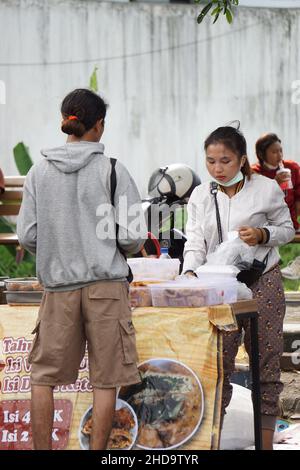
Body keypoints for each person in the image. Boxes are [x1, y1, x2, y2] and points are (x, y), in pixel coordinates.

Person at [17, 88, 147, 450]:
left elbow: (27, 235)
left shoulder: (38, 171)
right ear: (99, 125)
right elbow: (133, 237)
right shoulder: (113, 170)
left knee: (43, 377)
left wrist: (60, 248)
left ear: (67, 121)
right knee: (105, 381)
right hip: (106, 287)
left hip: (58, 287)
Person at [182, 125, 295, 450]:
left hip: (264, 280)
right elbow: (195, 241)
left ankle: (265, 443)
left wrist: (262, 235)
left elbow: (286, 228)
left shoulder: (265, 188)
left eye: (225, 161)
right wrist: (191, 272)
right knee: (218, 363)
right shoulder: (202, 195)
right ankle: (212, 441)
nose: (217, 168)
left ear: (242, 159)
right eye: (211, 161)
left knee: (267, 362)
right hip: (221, 286)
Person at [252, 133, 300, 280]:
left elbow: (298, 197)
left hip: (290, 222)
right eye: (274, 152)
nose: (279, 155)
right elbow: (254, 201)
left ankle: (297, 265)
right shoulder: (255, 172)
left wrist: (294, 219)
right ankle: (269, 268)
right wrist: (274, 183)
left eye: (280, 150)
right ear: (261, 154)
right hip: (265, 224)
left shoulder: (291, 168)